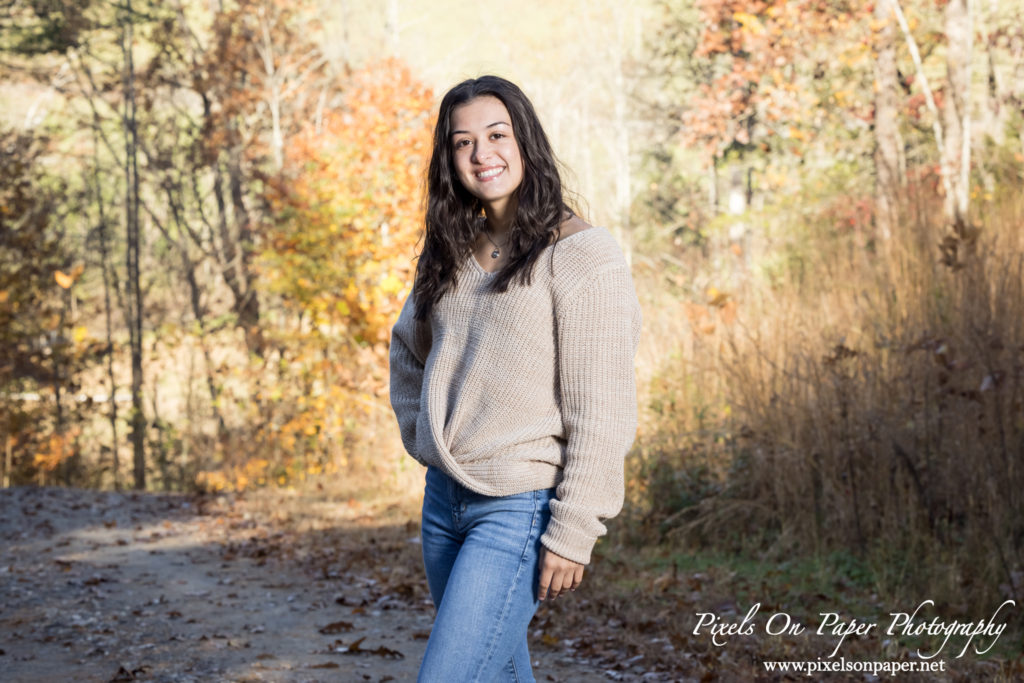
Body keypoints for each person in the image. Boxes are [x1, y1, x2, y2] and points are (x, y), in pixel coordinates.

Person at [388, 75, 641, 682]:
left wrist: (575, 527)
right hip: (444, 503)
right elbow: (407, 349)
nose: (482, 154)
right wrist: (424, 432)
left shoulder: (583, 255)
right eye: (462, 142)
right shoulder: (450, 248)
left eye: (497, 135)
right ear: (449, 158)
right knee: (496, 672)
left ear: (525, 141)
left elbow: (601, 411)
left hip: (518, 510)